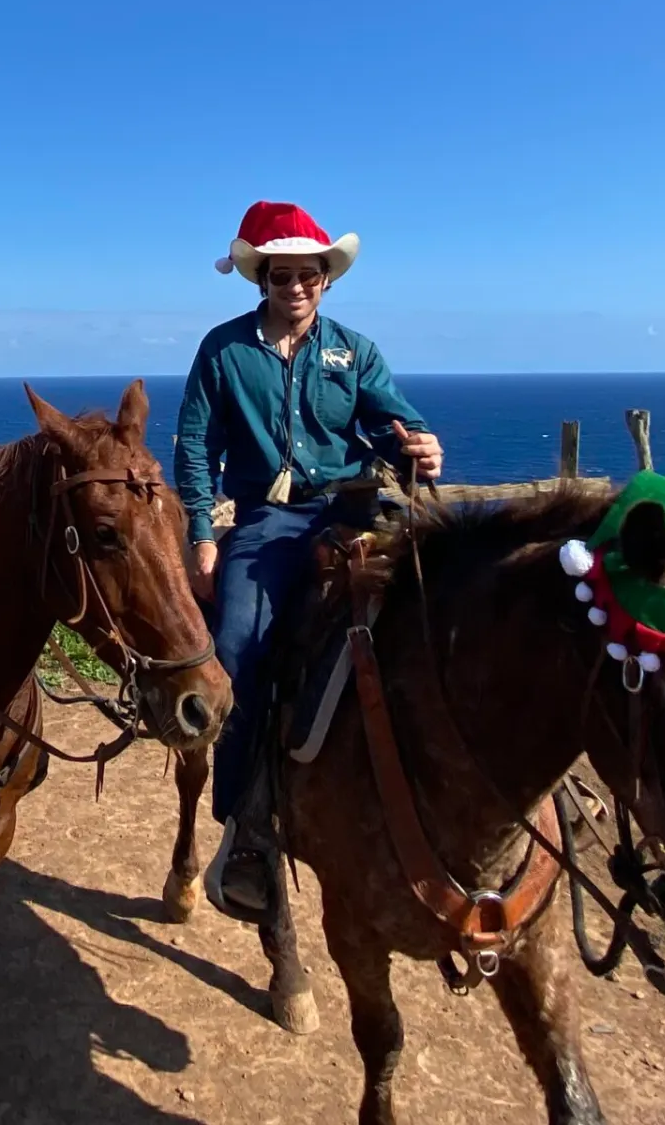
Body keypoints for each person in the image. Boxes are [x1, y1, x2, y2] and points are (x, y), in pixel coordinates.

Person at [174, 200, 443, 922]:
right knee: (236, 652)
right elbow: (195, 449)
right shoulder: (223, 351)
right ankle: (244, 823)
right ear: (260, 278)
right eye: (282, 275)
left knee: (444, 605)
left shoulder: (353, 352)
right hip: (268, 522)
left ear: (326, 279)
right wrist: (203, 537)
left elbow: (392, 423)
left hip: (354, 507)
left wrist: (419, 444)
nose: (297, 286)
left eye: (310, 275)